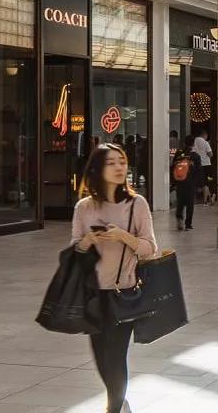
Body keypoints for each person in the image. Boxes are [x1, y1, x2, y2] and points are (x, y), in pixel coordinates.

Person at [71, 142, 157, 413]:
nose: (120, 167)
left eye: (122, 161)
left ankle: (113, 408)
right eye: (112, 162)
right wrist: (87, 241)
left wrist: (123, 236)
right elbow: (74, 248)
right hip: (93, 294)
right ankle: (120, 403)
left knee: (116, 356)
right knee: (100, 359)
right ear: (97, 168)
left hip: (124, 293)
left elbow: (150, 249)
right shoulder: (84, 208)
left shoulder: (136, 204)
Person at [168, 140, 200, 232]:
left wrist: (173, 182)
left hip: (180, 182)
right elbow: (198, 171)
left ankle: (179, 217)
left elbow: (173, 167)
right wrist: (198, 184)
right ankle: (188, 224)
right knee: (190, 204)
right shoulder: (195, 156)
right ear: (193, 145)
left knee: (180, 202)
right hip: (190, 184)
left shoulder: (179, 154)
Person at [190, 128, 213, 204]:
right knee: (206, 182)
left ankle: (209, 198)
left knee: (202, 181)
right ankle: (205, 200)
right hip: (206, 164)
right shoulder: (205, 143)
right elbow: (210, 154)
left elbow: (192, 152)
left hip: (198, 164)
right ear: (204, 135)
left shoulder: (195, 141)